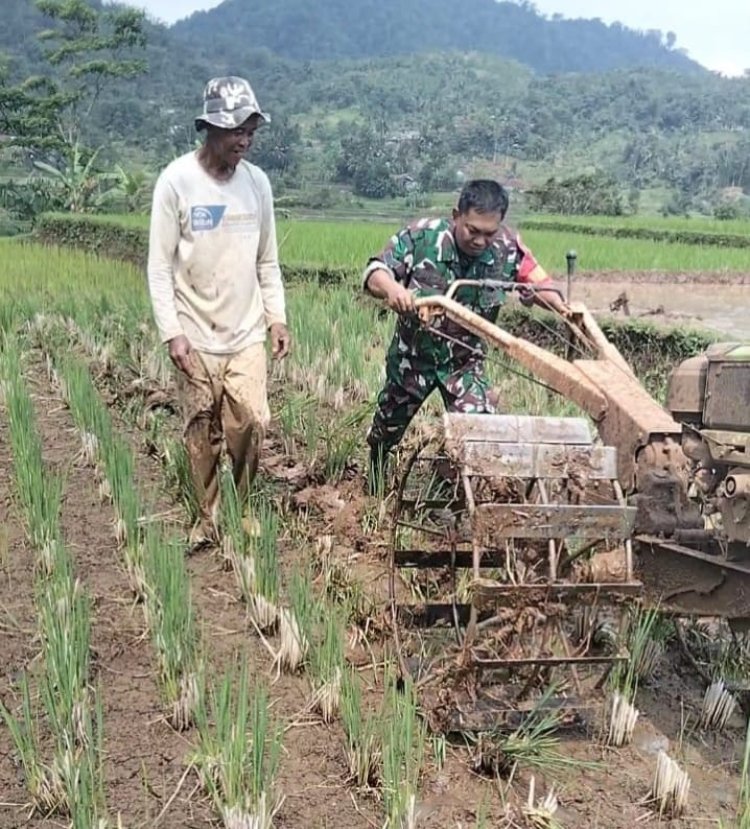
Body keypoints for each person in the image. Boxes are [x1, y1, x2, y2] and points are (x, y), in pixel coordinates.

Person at [147, 76, 291, 548]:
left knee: (251, 420)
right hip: (194, 328)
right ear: (208, 128)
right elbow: (159, 266)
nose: (244, 139)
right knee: (200, 428)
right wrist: (172, 333)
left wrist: (277, 317)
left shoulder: (257, 184)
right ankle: (207, 517)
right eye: (235, 130)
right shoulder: (176, 182)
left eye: (250, 129)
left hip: (245, 331)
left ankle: (241, 506)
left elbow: (267, 260)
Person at [362, 178, 569, 494]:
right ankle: (375, 478)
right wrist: (393, 289)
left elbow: (539, 282)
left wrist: (563, 308)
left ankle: (453, 495)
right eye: (473, 230)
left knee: (479, 432)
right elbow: (375, 271)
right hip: (414, 357)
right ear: (456, 214)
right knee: (388, 427)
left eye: (489, 233)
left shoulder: (508, 248)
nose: (481, 241)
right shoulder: (422, 236)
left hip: (464, 361)